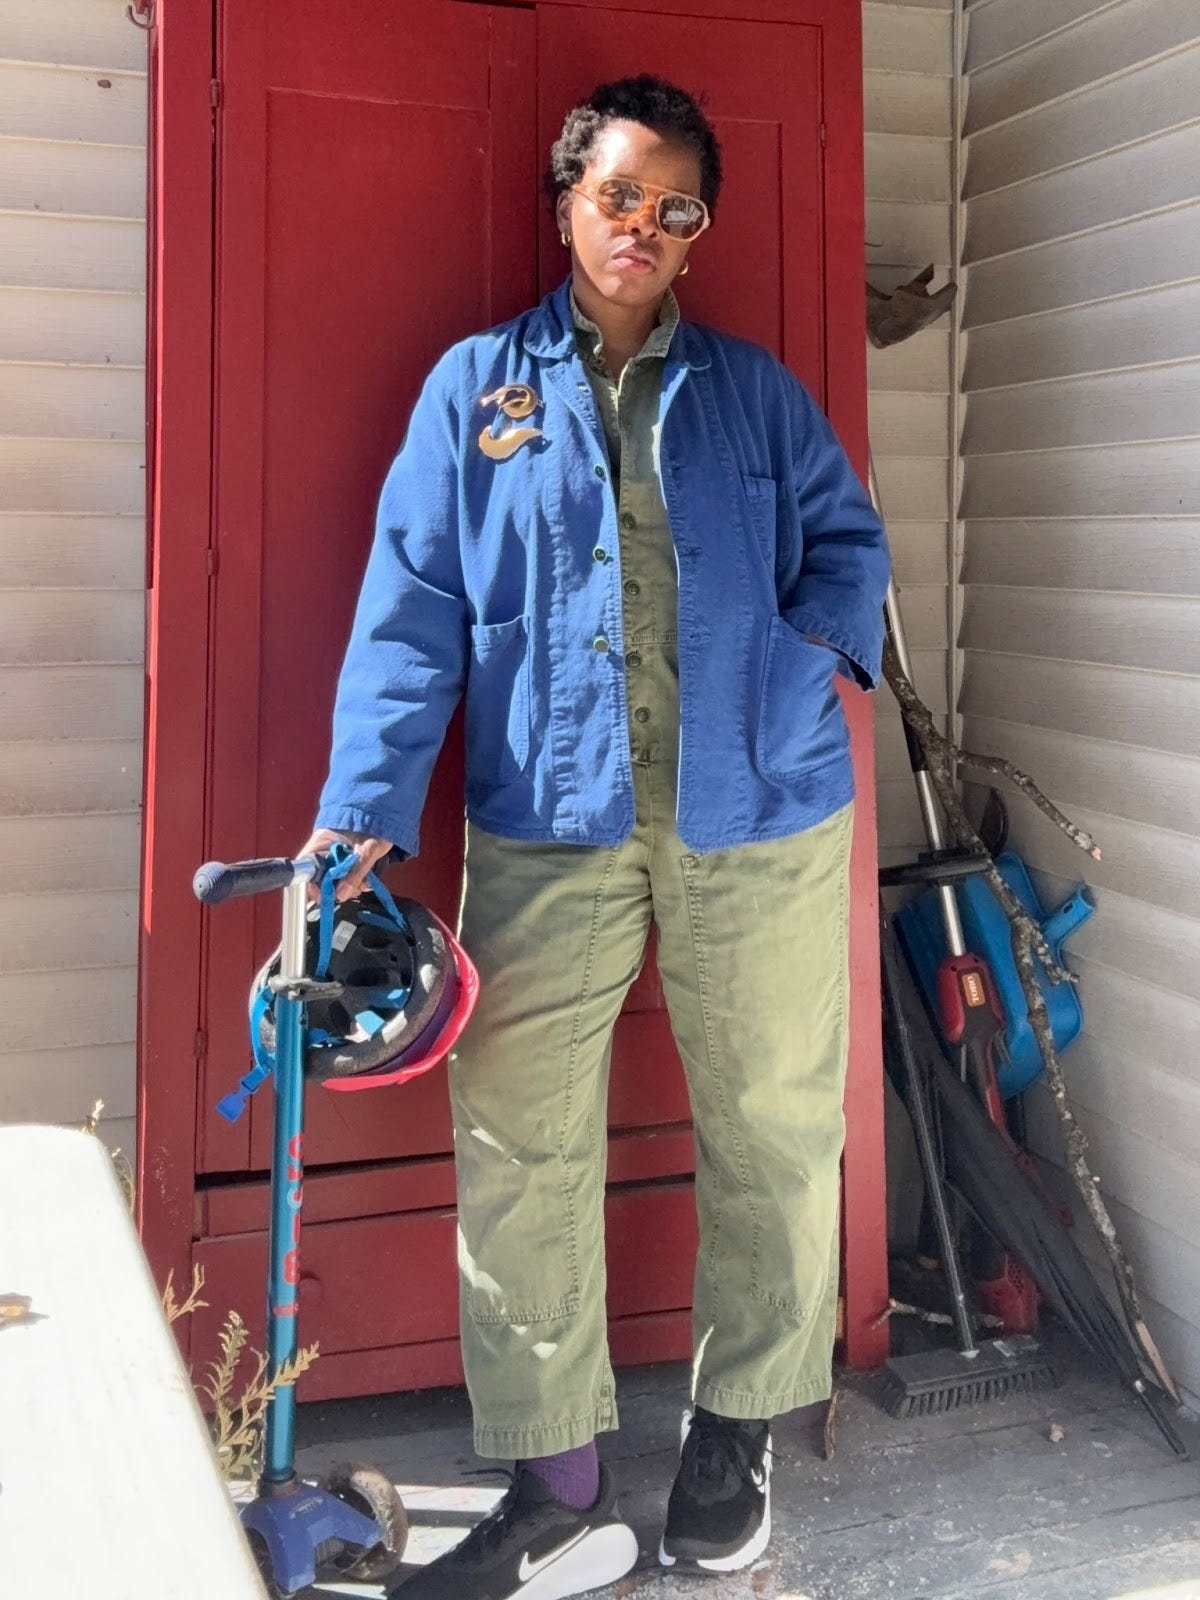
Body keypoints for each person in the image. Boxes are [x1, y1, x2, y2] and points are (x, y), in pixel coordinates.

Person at [300, 74, 890, 1600]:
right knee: (518, 1137)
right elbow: (412, 611)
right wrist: (360, 812)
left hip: (758, 812)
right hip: (548, 817)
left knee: (774, 1125)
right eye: (618, 194)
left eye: (674, 206)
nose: (644, 225)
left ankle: (737, 1433)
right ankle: (557, 1482)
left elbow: (849, 545)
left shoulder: (755, 394)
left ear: (697, 231)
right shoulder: (475, 392)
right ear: (567, 202)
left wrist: (806, 664)